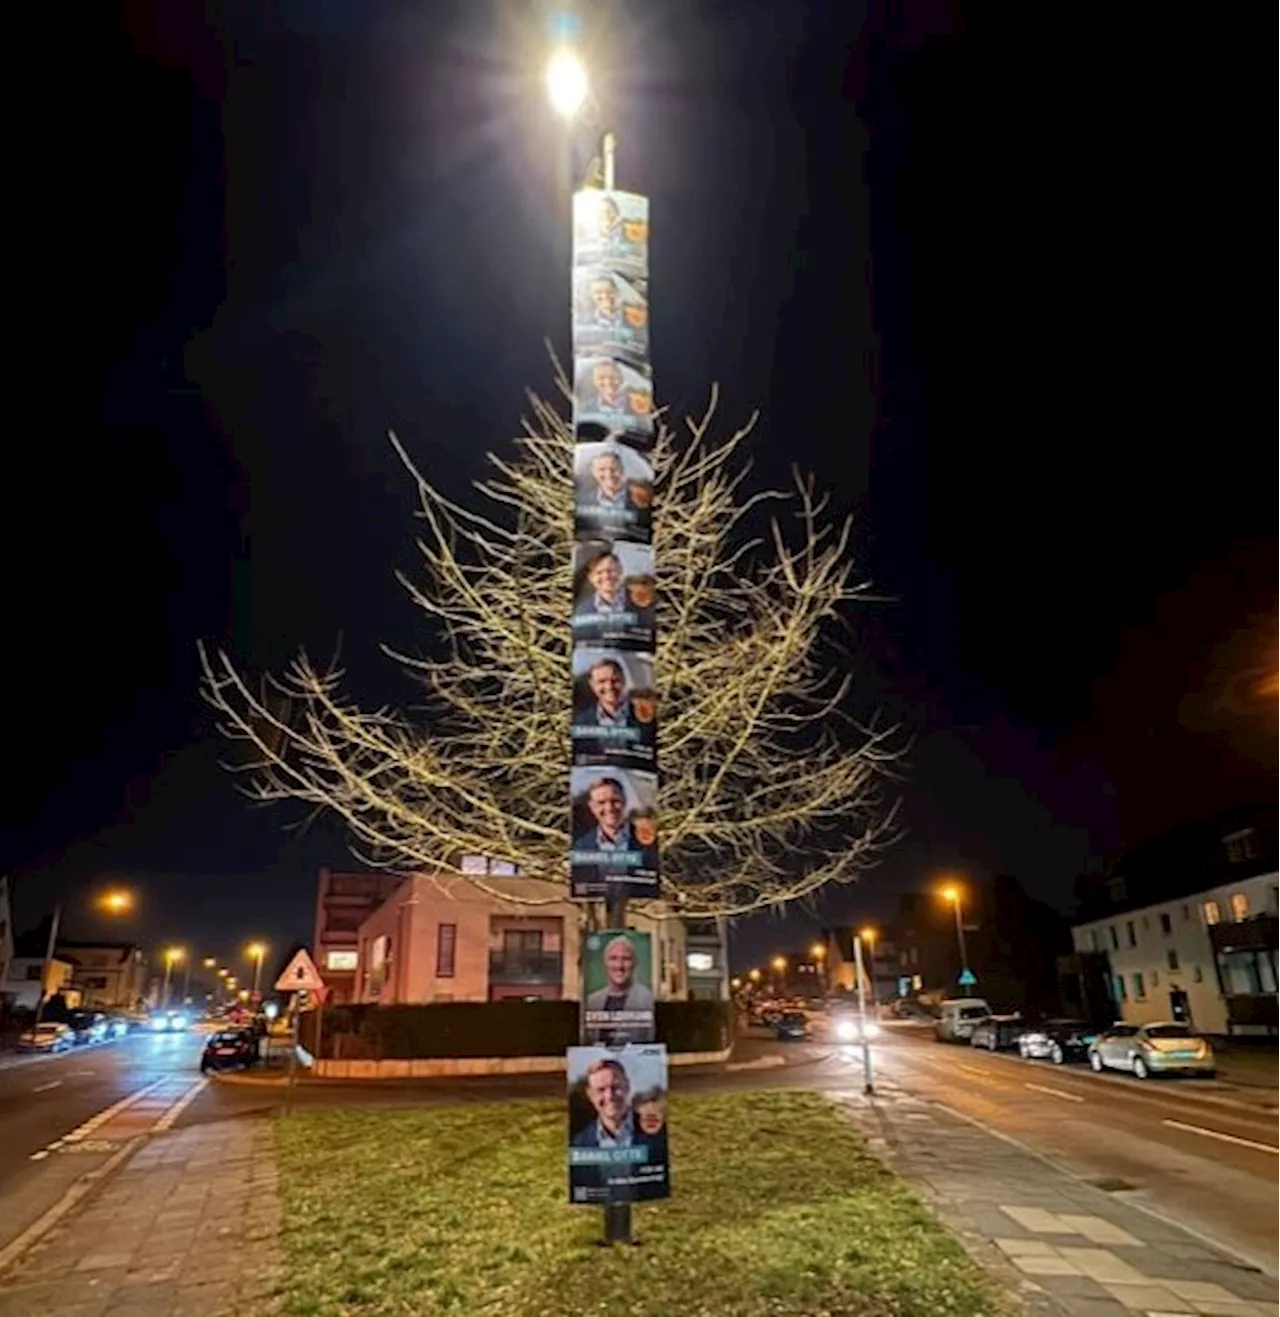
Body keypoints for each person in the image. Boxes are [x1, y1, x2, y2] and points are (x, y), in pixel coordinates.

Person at [571, 1058, 664, 1153]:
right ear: (590, 1095)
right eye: (601, 1090)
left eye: (615, 1087)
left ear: (627, 1086)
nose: (609, 1096)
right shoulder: (579, 1143)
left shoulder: (658, 1133)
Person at [585, 936, 654, 1013]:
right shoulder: (592, 1001)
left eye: (626, 959)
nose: (619, 966)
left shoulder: (647, 999)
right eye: (613, 958)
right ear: (605, 963)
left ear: (635, 963)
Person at [572, 777, 633, 856]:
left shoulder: (648, 841)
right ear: (592, 807)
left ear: (624, 800)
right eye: (601, 802)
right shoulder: (580, 847)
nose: (609, 808)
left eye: (615, 800)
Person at [575, 658, 634, 729]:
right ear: (592, 685)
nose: (609, 686)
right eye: (601, 681)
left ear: (623, 680)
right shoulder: (580, 722)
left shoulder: (644, 717)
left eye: (615, 680)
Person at [574, 552, 628, 616]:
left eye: (611, 570)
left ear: (621, 571)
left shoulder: (639, 603)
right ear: (590, 578)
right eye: (599, 572)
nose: (606, 576)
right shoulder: (583, 611)